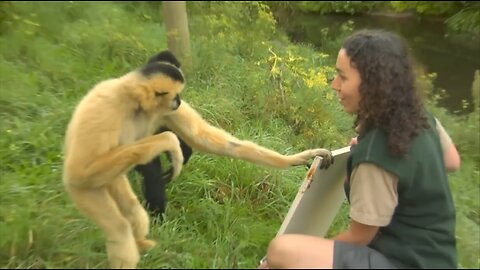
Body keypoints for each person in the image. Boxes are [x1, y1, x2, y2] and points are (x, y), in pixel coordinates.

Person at [258, 29, 461, 269]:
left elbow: (360, 237)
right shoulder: (420, 118)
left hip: (404, 263)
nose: (334, 85)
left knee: (282, 251)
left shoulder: (375, 156)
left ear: (374, 84)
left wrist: (304, 258)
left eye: (342, 77)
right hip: (439, 259)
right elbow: (452, 161)